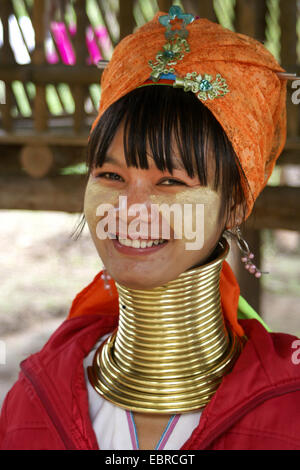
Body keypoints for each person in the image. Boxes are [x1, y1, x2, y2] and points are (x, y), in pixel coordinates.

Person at [1, 7, 300, 450]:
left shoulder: (288, 407)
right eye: (111, 176)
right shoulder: (36, 396)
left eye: (170, 181)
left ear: (234, 205)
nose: (131, 208)